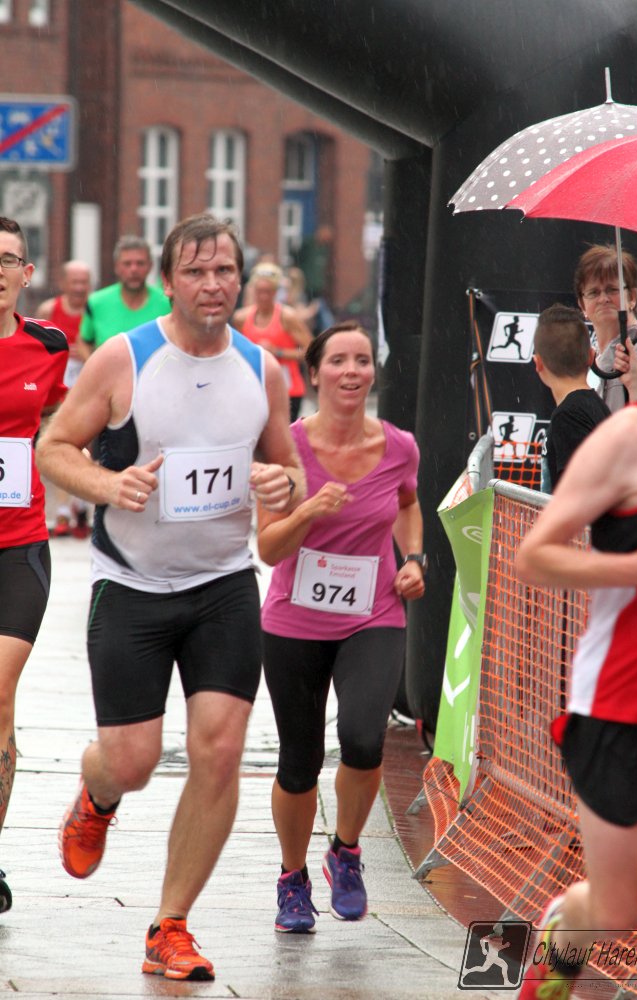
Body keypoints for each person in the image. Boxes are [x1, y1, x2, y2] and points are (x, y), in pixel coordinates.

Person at [36, 213, 304, 981]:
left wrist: (282, 485)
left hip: (223, 586)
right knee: (133, 760)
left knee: (219, 752)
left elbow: (288, 472)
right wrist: (106, 484)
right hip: (131, 585)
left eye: (223, 270)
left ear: (239, 277)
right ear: (168, 281)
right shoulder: (125, 358)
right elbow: (55, 447)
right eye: (195, 271)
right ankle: (98, 793)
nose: (212, 285)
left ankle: (170, 925)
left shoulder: (263, 370)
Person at [257, 320, 426, 934]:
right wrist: (308, 508)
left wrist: (414, 559)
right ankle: (292, 879)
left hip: (373, 614)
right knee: (299, 761)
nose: (352, 371)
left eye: (362, 360)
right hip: (294, 621)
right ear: (314, 373)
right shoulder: (286, 450)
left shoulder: (400, 446)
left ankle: (346, 851)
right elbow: (269, 548)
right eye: (338, 361)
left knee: (361, 738)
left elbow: (407, 505)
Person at [515, 385, 637, 1000]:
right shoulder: (634, 435)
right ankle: (561, 927)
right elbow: (534, 556)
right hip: (625, 700)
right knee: (617, 913)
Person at [0, 217, 69, 912]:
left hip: (19, 547)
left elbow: (65, 422)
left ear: (26, 274)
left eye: (7, 259)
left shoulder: (49, 347)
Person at [36, 259, 93, 538]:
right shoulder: (50, 310)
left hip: (88, 383)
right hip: (59, 386)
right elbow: (37, 346)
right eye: (75, 282)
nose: (79, 288)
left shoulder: (95, 310)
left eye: (84, 282)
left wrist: (87, 354)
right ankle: (62, 512)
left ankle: (79, 508)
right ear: (63, 283)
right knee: (60, 445)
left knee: (85, 447)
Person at [532, 304, 610, 493]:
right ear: (591, 356)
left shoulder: (568, 416)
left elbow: (579, 495)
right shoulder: (597, 406)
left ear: (538, 363)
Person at [574, 244, 637, 412]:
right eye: (593, 292)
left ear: (632, 297)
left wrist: (636, 386)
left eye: (612, 290)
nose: (603, 299)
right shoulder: (593, 361)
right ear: (582, 305)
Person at [233, 262, 313, 421]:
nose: (263, 296)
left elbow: (311, 352)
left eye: (268, 291)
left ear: (276, 292)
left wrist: (278, 352)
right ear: (253, 290)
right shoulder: (241, 318)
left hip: (287, 390)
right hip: (255, 389)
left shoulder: (287, 317)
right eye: (260, 291)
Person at [79, 235, 170, 357]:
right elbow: (83, 341)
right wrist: (93, 364)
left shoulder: (168, 302)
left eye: (140, 263)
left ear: (150, 266)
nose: (134, 269)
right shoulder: (96, 302)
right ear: (116, 267)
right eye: (127, 264)